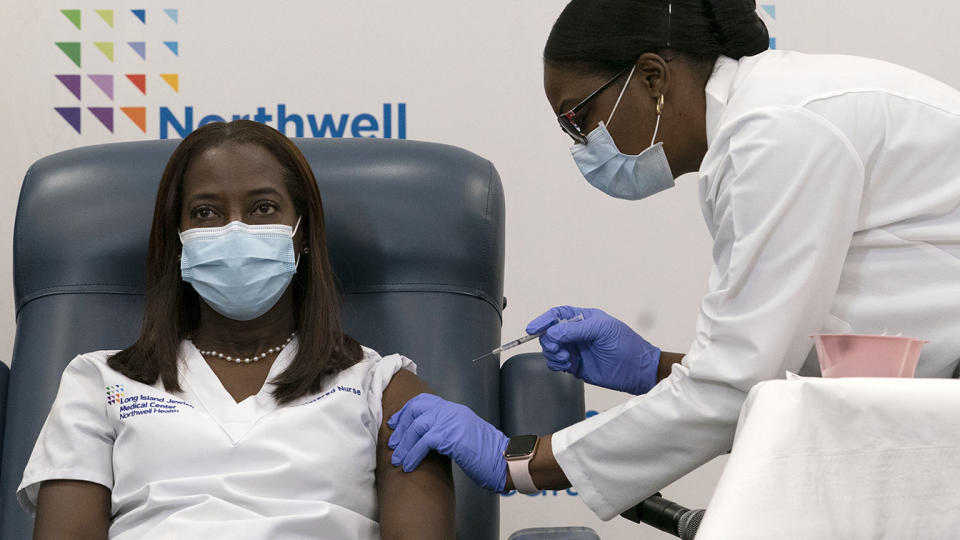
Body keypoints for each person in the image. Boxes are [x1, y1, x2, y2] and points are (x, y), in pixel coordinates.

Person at [388, 0, 960, 522]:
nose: (580, 143)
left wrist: (521, 461)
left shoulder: (775, 132)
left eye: (578, 118)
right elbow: (795, 371)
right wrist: (654, 367)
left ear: (653, 77)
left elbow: (736, 385)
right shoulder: (761, 126)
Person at [17, 120, 455, 539]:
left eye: (263, 208)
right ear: (179, 238)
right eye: (205, 212)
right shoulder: (98, 382)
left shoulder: (382, 387)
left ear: (300, 232)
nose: (235, 229)